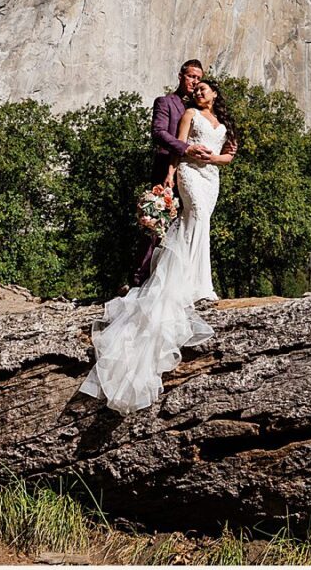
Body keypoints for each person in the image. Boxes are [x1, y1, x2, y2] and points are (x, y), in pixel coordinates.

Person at [80, 77, 238, 414]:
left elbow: (228, 156)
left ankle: (200, 283)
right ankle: (192, 285)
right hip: (190, 175)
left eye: (203, 89)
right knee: (193, 216)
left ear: (215, 94)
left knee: (203, 223)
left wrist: (216, 160)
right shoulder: (189, 115)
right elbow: (177, 149)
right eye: (195, 90)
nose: (198, 92)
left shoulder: (222, 122)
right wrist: (169, 177)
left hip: (211, 177)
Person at [127, 60, 231, 288]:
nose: (195, 82)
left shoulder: (202, 107)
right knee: (156, 224)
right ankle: (139, 280)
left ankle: (184, 281)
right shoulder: (166, 102)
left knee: (191, 223)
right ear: (181, 76)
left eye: (198, 78)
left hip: (202, 174)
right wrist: (185, 150)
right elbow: (158, 132)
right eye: (191, 77)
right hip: (168, 169)